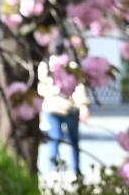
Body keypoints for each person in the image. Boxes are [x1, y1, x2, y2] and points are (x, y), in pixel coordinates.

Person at [39, 43, 91, 174]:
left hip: (57, 107)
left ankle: (54, 169)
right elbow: (79, 87)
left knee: (55, 139)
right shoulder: (64, 66)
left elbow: (42, 88)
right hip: (66, 107)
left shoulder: (46, 66)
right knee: (70, 140)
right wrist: (83, 105)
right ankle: (73, 170)